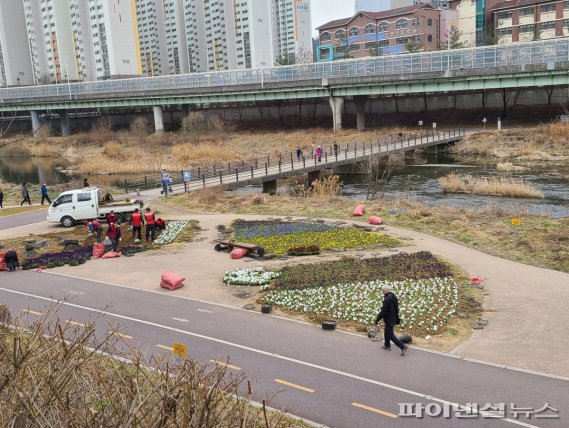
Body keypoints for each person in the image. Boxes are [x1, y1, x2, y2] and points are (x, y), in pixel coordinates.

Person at [374, 285, 408, 356]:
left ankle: (402, 346)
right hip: (393, 318)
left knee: (390, 335)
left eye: (382, 291)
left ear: (384, 291)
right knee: (386, 331)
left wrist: (377, 319)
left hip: (389, 319)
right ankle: (387, 345)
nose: (382, 292)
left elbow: (383, 311)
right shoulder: (393, 296)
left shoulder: (387, 300)